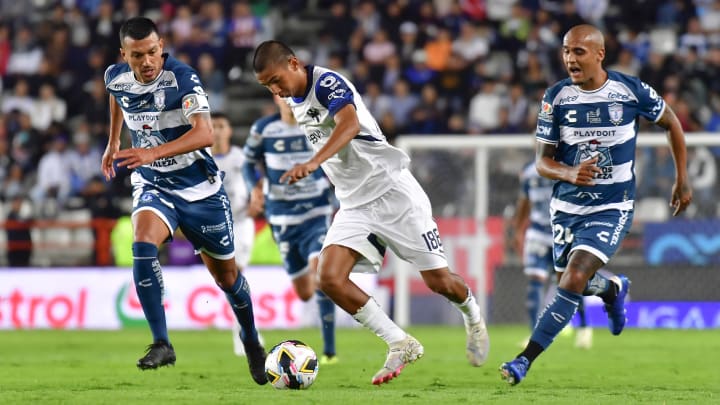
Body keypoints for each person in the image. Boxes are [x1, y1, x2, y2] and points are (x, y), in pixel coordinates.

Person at [252, 40, 490, 385]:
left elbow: (348, 126)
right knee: (329, 278)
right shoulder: (293, 98)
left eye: (276, 80)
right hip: (355, 204)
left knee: (439, 282)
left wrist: (313, 163)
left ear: (293, 63)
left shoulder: (327, 82)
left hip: (393, 193)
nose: (276, 90)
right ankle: (399, 341)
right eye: (267, 87)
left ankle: (473, 316)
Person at [499, 24, 692, 386]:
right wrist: (570, 173)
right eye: (566, 51)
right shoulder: (555, 98)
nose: (570, 59)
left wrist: (683, 178)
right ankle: (613, 290)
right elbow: (542, 161)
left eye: (579, 52)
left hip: (613, 205)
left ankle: (524, 361)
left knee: (572, 277)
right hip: (566, 208)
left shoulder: (629, 90)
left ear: (599, 54)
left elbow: (672, 124)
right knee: (574, 282)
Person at [101, 17, 267, 385]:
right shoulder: (115, 75)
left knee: (227, 278)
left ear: (162, 47)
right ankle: (162, 342)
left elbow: (205, 132)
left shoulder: (183, 77)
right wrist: (114, 141)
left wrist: (150, 151)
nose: (146, 62)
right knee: (142, 242)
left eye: (152, 52)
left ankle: (252, 340)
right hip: (154, 183)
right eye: (137, 55)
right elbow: (116, 95)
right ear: (123, 55)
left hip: (199, 190)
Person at [242, 95, 339, 365]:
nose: (288, 101)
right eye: (281, 96)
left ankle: (330, 351)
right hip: (282, 218)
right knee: (305, 291)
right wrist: (255, 188)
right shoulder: (263, 129)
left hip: (316, 212)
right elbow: (248, 164)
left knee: (319, 270)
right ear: (274, 97)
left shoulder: (318, 125)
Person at [509, 161, 592, 349]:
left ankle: (584, 327)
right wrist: (517, 231)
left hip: (564, 232)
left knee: (570, 282)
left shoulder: (570, 167)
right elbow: (524, 202)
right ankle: (534, 333)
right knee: (535, 281)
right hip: (538, 233)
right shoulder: (529, 172)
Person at [209, 112, 262, 357]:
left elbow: (259, 182)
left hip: (240, 223)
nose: (218, 131)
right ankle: (247, 332)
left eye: (222, 126)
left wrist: (257, 199)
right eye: (214, 126)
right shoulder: (203, 158)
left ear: (229, 131)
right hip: (213, 226)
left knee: (235, 275)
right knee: (228, 280)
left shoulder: (240, 157)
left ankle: (245, 334)